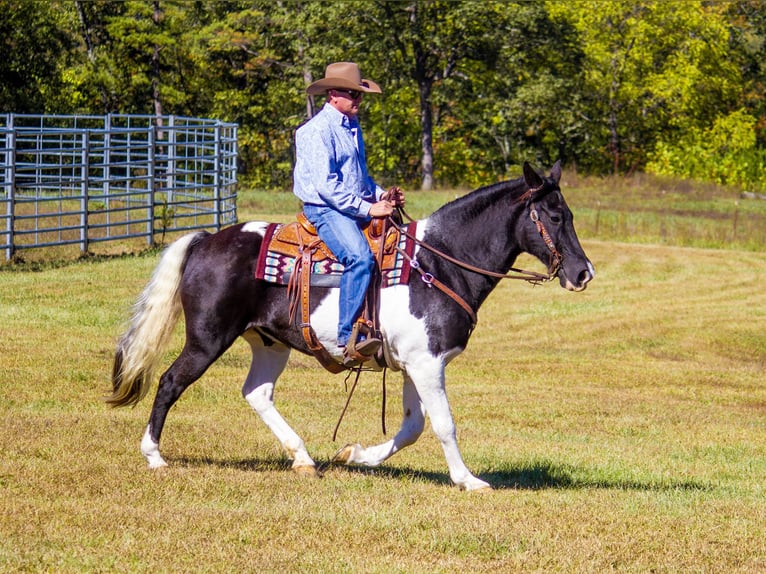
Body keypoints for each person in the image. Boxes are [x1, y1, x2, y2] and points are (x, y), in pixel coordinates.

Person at [293, 62, 404, 362]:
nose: (358, 99)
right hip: (325, 210)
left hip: (348, 205)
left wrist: (381, 195)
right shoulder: (316, 131)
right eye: (352, 94)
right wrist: (369, 208)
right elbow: (327, 186)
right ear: (333, 94)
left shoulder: (351, 126)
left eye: (360, 94)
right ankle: (347, 338)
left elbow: (359, 178)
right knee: (359, 257)